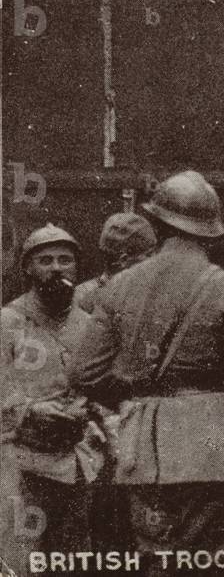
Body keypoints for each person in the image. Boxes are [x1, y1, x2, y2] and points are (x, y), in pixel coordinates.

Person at [69, 171, 224, 574]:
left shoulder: (120, 286)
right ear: (211, 232)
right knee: (218, 564)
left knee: (158, 561)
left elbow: (83, 373)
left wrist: (136, 396)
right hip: (217, 449)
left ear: (158, 223)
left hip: (145, 450)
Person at [1, 224, 94, 558]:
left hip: (78, 465)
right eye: (46, 260)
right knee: (26, 557)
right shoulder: (9, 322)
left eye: (65, 260)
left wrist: (86, 407)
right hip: (24, 465)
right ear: (29, 267)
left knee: (73, 559)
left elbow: (100, 388)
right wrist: (31, 408)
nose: (57, 268)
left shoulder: (88, 325)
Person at [75, 212, 156, 314]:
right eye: (148, 255)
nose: (155, 259)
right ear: (124, 260)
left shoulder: (81, 293)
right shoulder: (83, 298)